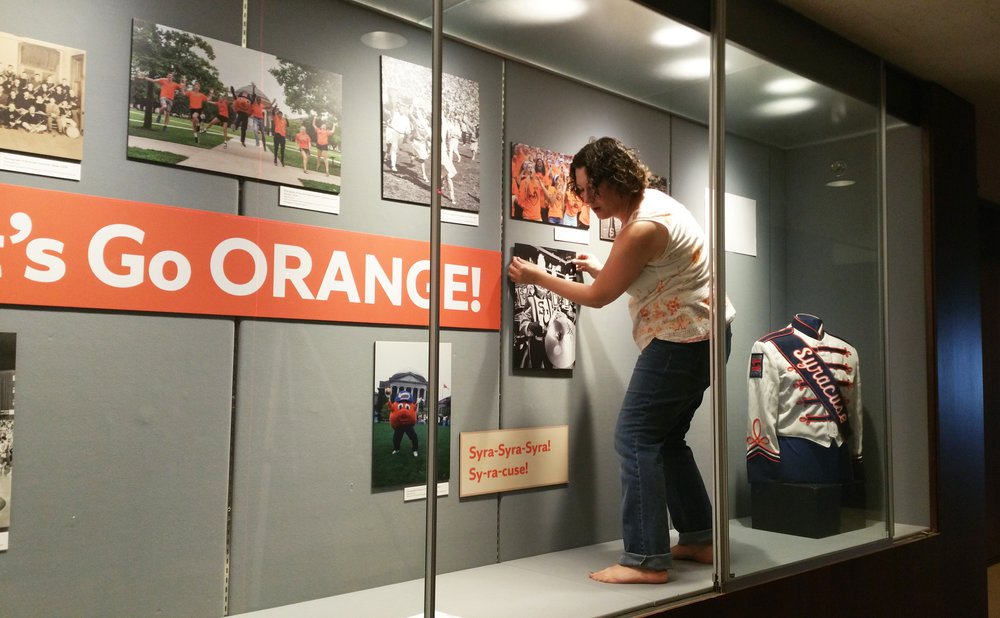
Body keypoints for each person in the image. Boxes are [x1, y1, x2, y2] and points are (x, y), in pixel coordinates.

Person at [508, 137, 736, 585]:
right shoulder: (652, 205)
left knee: (633, 437)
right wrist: (603, 265)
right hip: (705, 335)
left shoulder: (641, 227)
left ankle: (646, 559)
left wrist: (538, 275)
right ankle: (700, 538)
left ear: (614, 179)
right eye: (581, 192)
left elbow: (597, 298)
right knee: (666, 439)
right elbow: (655, 274)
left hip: (682, 341)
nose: (587, 200)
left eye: (591, 189)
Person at [389, 390, 419, 457]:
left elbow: (414, 408)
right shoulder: (396, 403)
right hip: (399, 424)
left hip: (408, 424)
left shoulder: (410, 404)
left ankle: (415, 450)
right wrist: (388, 398)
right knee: (396, 438)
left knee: (414, 437)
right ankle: (396, 449)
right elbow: (391, 407)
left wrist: (417, 403)